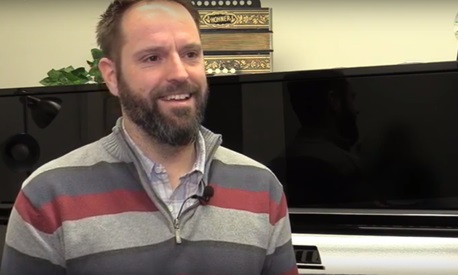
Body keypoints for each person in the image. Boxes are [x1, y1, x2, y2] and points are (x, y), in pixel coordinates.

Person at [1, 0, 298, 274]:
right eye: (153, 57)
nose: (180, 73)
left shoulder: (262, 187)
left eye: (190, 54)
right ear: (112, 76)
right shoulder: (47, 194)